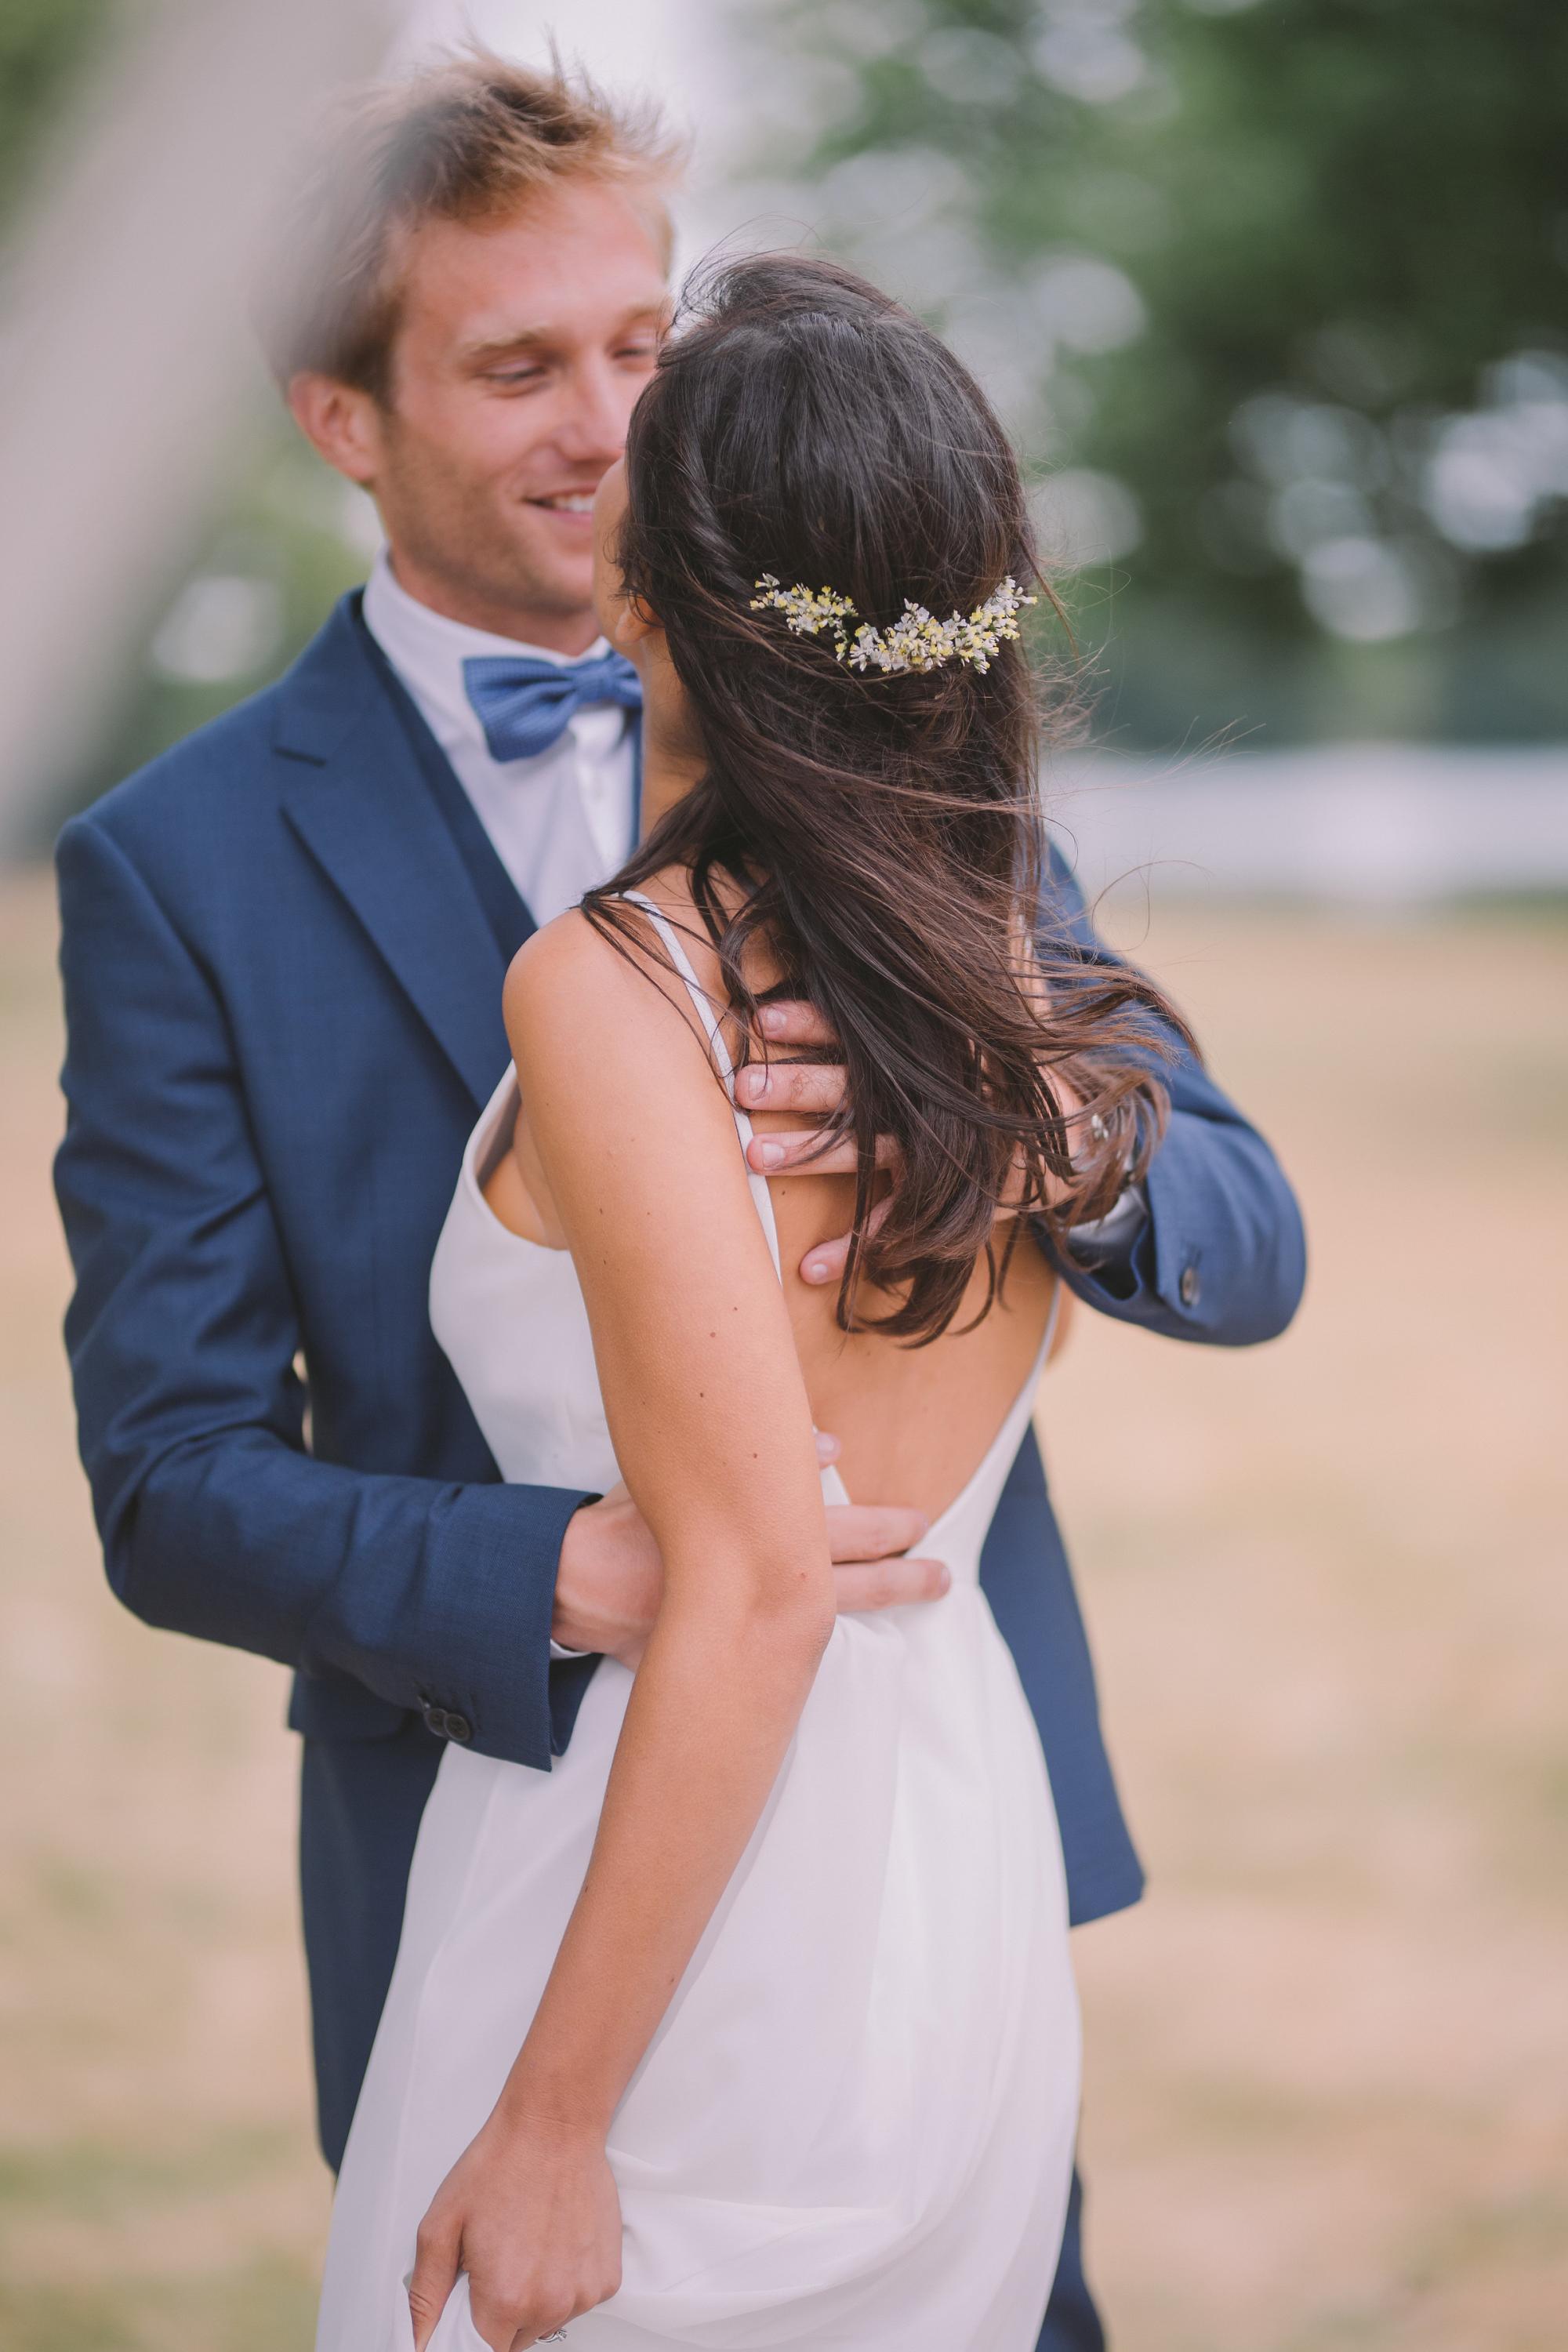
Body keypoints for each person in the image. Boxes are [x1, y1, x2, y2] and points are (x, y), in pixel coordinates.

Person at [51, 56, 1305, 2352]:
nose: (609, 422)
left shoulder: (929, 796)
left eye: (642, 348)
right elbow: (166, 1481)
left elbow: (1251, 1236)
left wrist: (1068, 1139)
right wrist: (572, 1567)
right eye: (519, 366)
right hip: (500, 1832)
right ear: (344, 416)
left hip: (936, 1856)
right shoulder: (181, 867)